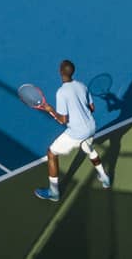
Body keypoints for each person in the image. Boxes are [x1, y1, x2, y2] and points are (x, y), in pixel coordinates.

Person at [33, 59, 111, 201]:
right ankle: (105, 178)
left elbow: (63, 120)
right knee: (88, 148)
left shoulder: (61, 93)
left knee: (51, 153)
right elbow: (92, 108)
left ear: (61, 72)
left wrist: (51, 110)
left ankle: (54, 192)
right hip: (91, 126)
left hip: (77, 133)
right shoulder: (82, 85)